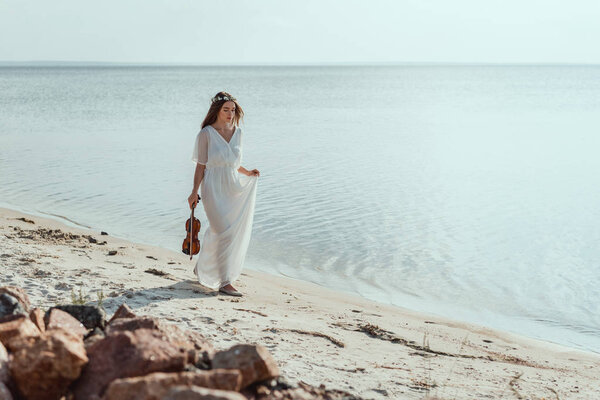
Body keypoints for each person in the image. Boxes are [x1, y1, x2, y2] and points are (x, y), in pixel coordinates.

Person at [188, 92, 260, 297]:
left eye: (233, 110)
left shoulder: (238, 133)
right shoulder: (206, 134)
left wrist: (248, 173)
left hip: (233, 187)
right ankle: (224, 281)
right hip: (212, 187)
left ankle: (204, 267)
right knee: (222, 231)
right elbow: (201, 166)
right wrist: (194, 191)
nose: (230, 114)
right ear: (217, 112)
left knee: (229, 231)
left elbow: (233, 164)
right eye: (226, 110)